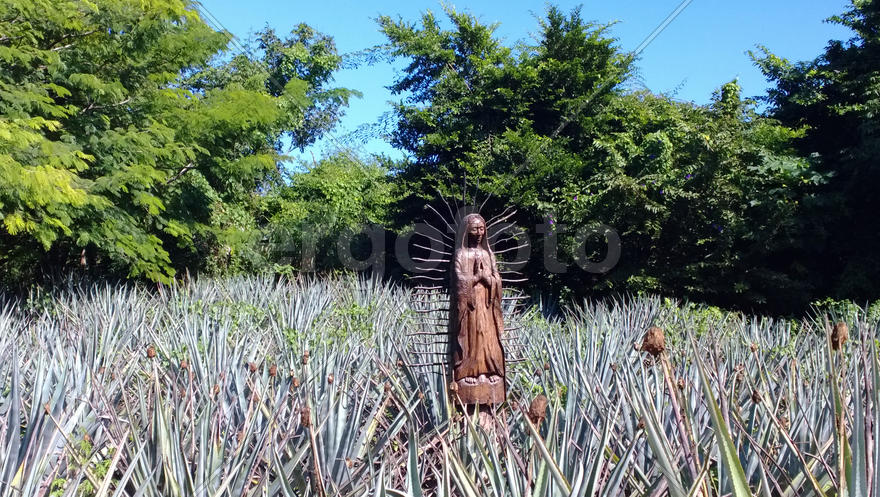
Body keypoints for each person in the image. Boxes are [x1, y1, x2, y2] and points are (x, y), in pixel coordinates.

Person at [450, 213, 506, 404]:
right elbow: (459, 281)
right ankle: (469, 372)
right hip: (471, 306)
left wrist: (487, 279)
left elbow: (497, 280)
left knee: (488, 336)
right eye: (475, 229)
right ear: (467, 231)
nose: (479, 232)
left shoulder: (487, 254)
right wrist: (475, 278)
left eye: (482, 228)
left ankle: (490, 369)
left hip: (487, 304)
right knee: (473, 335)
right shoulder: (461, 254)